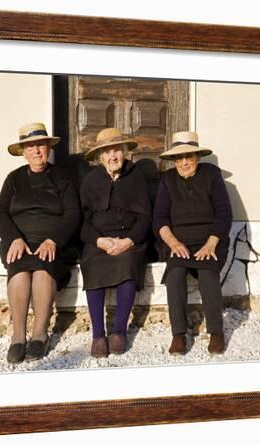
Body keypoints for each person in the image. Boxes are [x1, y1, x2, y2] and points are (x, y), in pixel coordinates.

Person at [0, 122, 81, 363]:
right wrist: (14, 239)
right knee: (20, 272)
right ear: (23, 152)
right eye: (30, 146)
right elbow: (0, 212)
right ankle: (18, 337)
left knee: (43, 269)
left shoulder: (61, 177)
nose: (36, 150)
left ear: (48, 148)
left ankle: (40, 334)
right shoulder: (14, 179)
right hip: (19, 242)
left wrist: (54, 240)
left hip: (55, 243)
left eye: (40, 144)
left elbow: (73, 213)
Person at [153, 131, 232, 355]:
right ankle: (178, 334)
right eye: (180, 157)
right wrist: (173, 243)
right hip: (179, 242)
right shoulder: (167, 180)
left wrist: (211, 243)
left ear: (197, 157)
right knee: (175, 274)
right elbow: (159, 218)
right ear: (174, 160)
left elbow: (224, 212)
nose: (185, 162)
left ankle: (216, 332)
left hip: (210, 239)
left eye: (189, 156)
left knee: (208, 273)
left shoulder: (211, 175)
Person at [79, 128, 151, 358]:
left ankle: (119, 331)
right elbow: (82, 220)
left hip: (129, 240)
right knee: (92, 264)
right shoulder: (91, 180)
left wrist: (128, 241)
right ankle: (98, 334)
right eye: (107, 152)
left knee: (128, 263)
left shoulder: (136, 177)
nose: (113, 156)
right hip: (99, 241)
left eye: (117, 151)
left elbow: (145, 217)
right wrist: (99, 240)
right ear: (100, 157)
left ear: (125, 153)